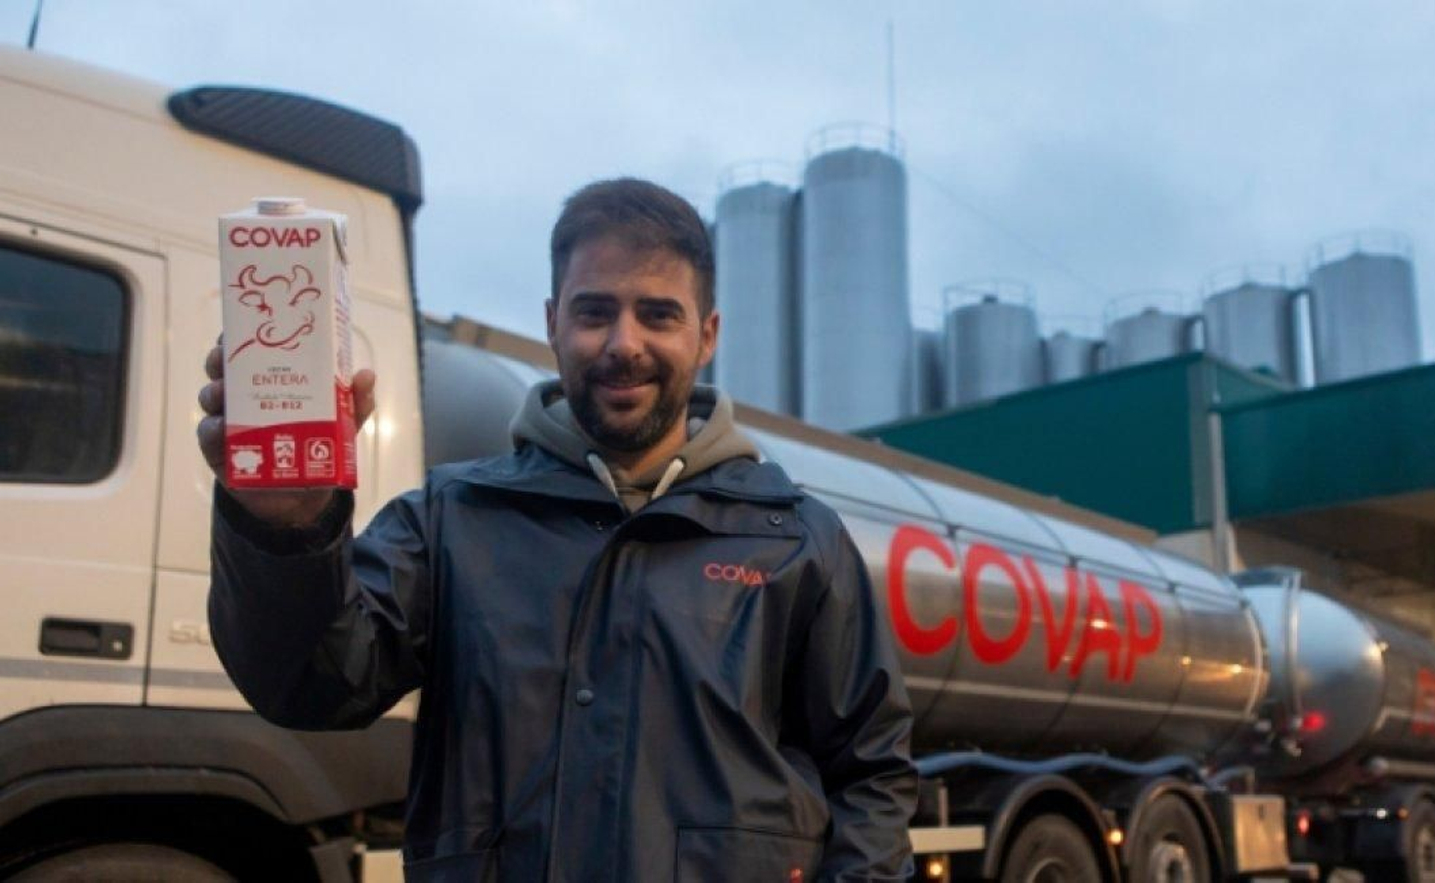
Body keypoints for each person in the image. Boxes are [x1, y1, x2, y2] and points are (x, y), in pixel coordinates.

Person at [198, 178, 918, 881]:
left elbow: (870, 771)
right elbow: (312, 684)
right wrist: (286, 530)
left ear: (707, 335)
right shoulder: (453, 519)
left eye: (659, 315)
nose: (623, 343)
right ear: (552, 321)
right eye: (595, 311)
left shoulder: (795, 539)